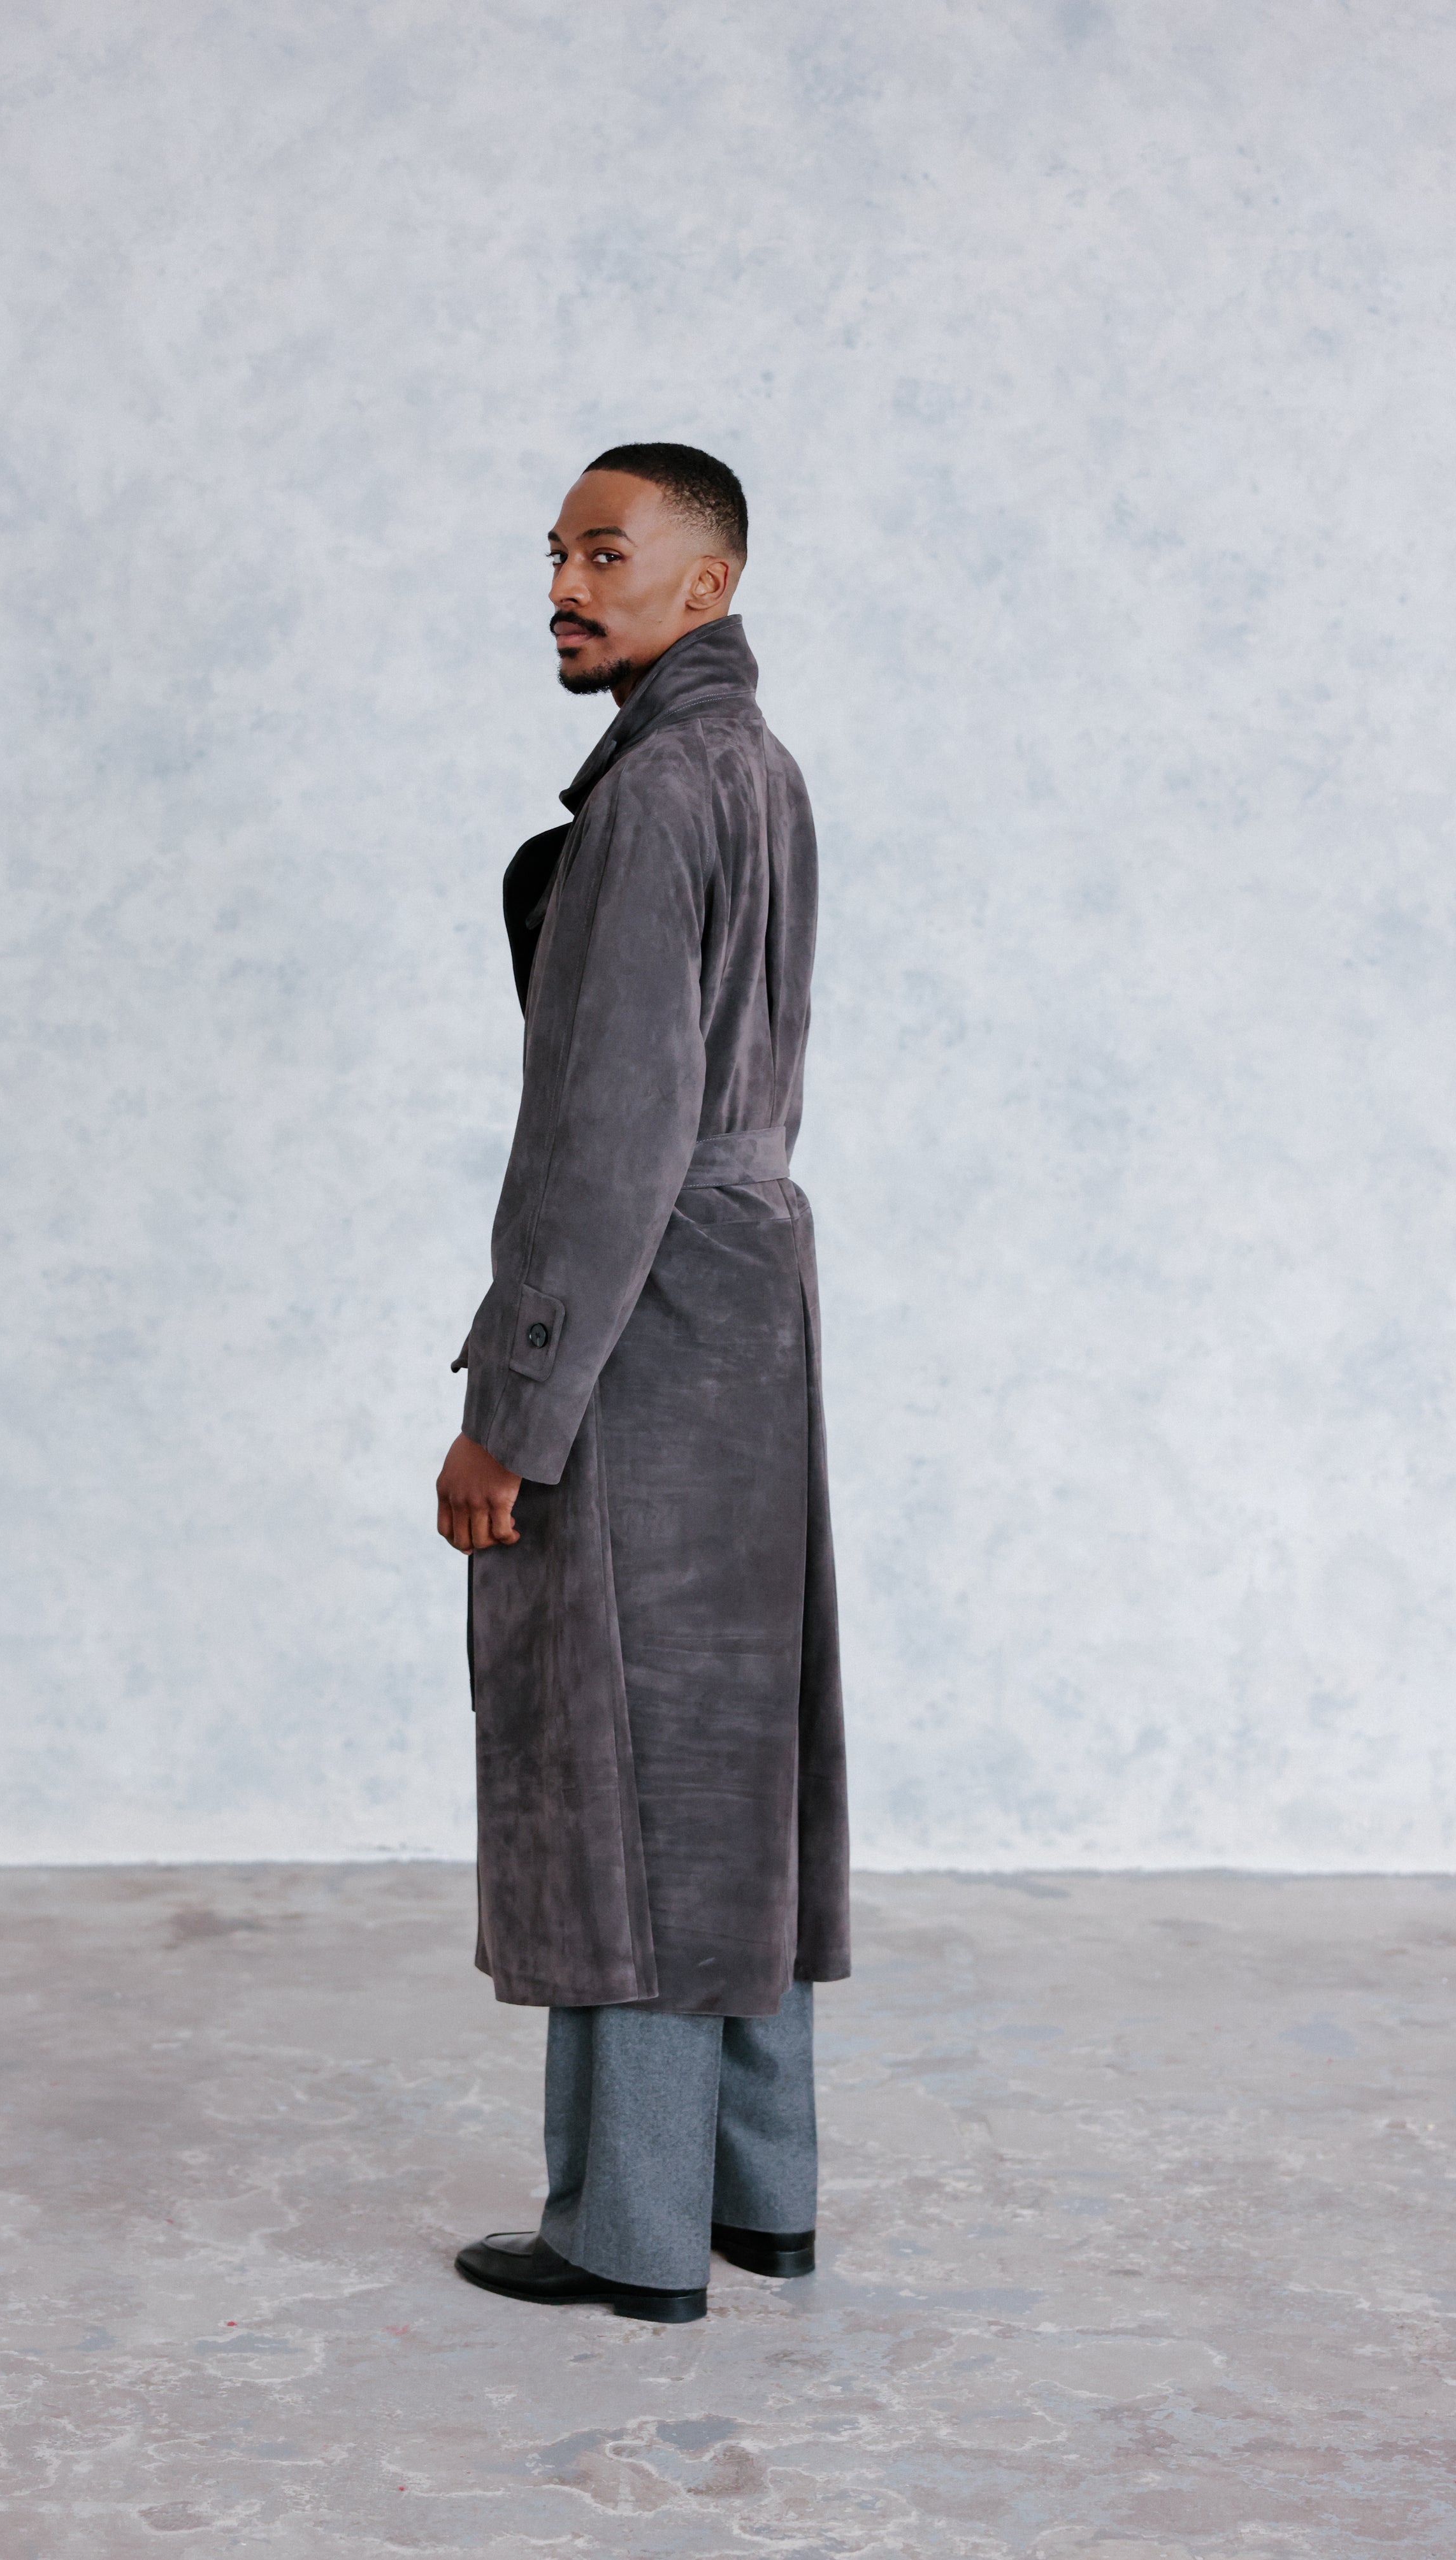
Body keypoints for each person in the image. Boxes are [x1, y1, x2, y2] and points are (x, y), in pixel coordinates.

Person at [437, 442, 848, 2324]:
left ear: (710, 583)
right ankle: (760, 2196)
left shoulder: (656, 794)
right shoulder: (759, 769)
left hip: (650, 1313)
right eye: (556, 555)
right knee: (729, 1749)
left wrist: (509, 1413)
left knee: (621, 1763)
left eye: (607, 555)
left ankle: (629, 2229)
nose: (564, 587)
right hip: (751, 1304)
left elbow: (606, 1144)